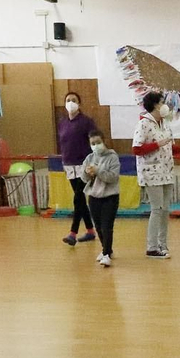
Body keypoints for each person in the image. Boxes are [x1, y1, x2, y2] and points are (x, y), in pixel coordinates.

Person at [131, 91, 180, 259]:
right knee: (157, 209)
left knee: (165, 209)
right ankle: (151, 247)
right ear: (154, 105)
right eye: (161, 102)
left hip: (166, 171)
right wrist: (157, 144)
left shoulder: (165, 124)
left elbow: (169, 146)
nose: (164, 105)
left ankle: (162, 244)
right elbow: (137, 149)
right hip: (151, 172)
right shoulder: (143, 124)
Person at [57, 90, 99, 248]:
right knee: (80, 199)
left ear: (79, 103)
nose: (70, 102)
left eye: (73, 100)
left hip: (83, 164)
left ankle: (72, 233)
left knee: (78, 198)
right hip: (68, 165)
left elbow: (96, 140)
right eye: (68, 100)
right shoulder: (62, 123)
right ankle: (90, 230)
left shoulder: (86, 122)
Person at [82, 132, 121, 267]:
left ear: (104, 141)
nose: (95, 146)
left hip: (110, 197)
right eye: (92, 144)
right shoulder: (89, 158)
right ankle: (107, 249)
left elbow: (113, 177)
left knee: (106, 226)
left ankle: (105, 254)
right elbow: (83, 178)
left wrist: (98, 171)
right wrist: (87, 173)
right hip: (94, 197)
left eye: (98, 142)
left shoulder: (112, 157)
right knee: (98, 226)